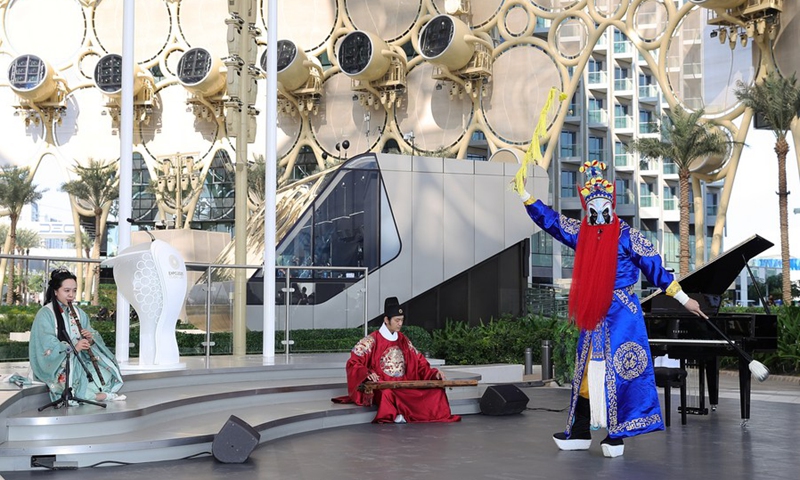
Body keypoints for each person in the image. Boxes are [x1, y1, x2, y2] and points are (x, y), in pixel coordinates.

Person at [514, 160, 706, 457]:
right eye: (593, 208)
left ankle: (616, 435)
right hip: (594, 312)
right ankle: (580, 430)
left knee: (621, 370)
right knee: (586, 370)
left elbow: (656, 269)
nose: (599, 213)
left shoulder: (629, 236)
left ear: (611, 206)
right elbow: (552, 221)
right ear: (587, 209)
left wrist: (684, 300)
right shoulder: (582, 234)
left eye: (604, 207)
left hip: (623, 313)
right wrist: (526, 196)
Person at [332, 297, 460, 424]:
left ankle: (406, 414)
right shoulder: (371, 340)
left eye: (402, 320)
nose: (400, 324)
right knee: (386, 394)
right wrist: (367, 373)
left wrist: (434, 374)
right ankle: (399, 414)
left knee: (436, 391)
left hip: (404, 385)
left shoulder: (404, 340)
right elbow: (353, 363)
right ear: (386, 320)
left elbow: (419, 363)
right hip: (382, 386)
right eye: (397, 320)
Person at [29, 268, 126, 404]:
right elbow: (47, 344)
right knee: (71, 385)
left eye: (74, 291)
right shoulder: (45, 314)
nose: (71, 295)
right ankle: (101, 396)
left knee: (107, 371)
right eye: (67, 290)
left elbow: (92, 334)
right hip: (59, 365)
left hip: (81, 361)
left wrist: (90, 339)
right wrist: (74, 347)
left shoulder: (80, 313)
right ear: (55, 291)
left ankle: (91, 394)